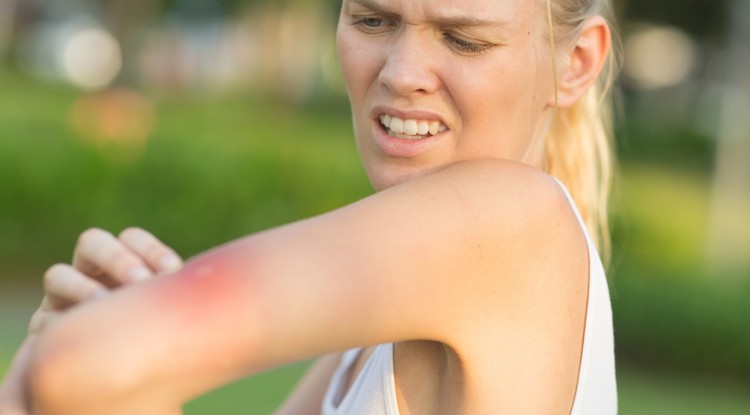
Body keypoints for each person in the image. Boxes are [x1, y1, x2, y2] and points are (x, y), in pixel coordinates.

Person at [0, 0, 619, 413]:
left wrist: (71, 355)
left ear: (577, 63)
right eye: (373, 20)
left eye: (464, 39)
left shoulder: (509, 218)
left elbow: (75, 365)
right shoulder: (375, 330)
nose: (402, 73)